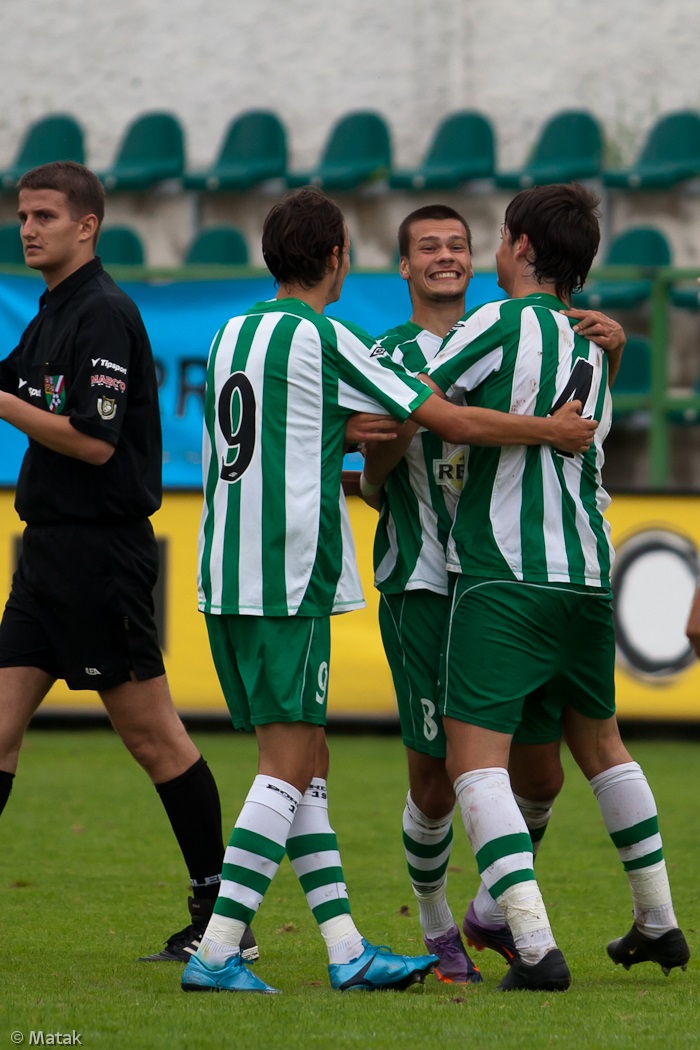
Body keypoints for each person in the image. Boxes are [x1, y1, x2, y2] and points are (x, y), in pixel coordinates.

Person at [180, 186, 597, 995]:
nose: (446, 257)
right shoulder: (338, 341)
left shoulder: (233, 330)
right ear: (342, 258)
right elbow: (451, 421)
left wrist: (341, 429)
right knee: (287, 767)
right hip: (290, 577)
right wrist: (554, 430)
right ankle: (218, 948)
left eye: (459, 245)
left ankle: (345, 950)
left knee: (307, 764)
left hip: (224, 574)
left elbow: (273, 429)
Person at [420, 183, 689, 991]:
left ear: (525, 247)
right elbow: (590, 444)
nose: (493, 252)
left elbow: (421, 394)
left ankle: (533, 947)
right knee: (602, 747)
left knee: (475, 767)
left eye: (501, 237)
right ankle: (658, 922)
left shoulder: (500, 322)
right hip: (583, 577)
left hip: (506, 576)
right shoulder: (591, 345)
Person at [362, 204, 628, 982]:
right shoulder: (390, 352)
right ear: (404, 269)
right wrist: (377, 477)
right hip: (424, 578)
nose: (445, 255)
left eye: (457, 244)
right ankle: (442, 928)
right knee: (435, 777)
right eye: (427, 248)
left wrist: (614, 347)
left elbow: (583, 420)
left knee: (540, 776)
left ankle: (500, 911)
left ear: (487, 258)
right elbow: (386, 440)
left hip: (506, 576)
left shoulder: (510, 332)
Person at [0, 161, 256, 965]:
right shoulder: (49, 314)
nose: (28, 228)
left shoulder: (105, 314)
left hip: (100, 554)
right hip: (46, 555)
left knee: (156, 739)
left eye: (44, 215)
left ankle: (223, 916)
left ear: (88, 226)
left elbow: (93, 438)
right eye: (22, 215)